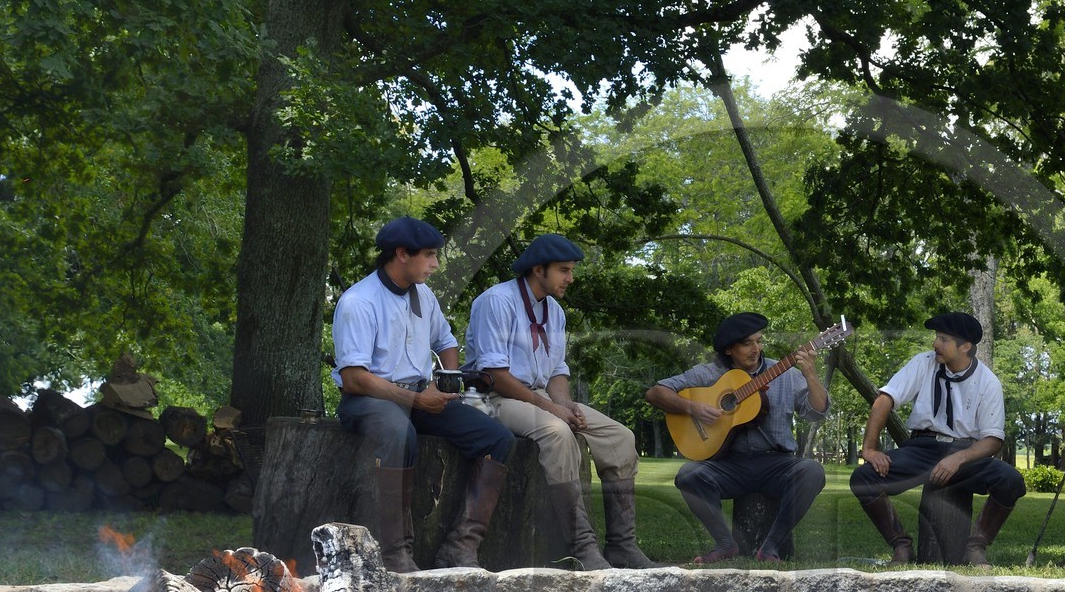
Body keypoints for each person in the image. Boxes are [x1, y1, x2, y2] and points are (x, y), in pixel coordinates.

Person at [332, 216, 516, 572]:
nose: (434, 265)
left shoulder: (424, 296)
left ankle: (461, 547)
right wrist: (416, 401)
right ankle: (394, 553)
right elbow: (355, 378)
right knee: (400, 433)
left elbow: (446, 342)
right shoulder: (359, 301)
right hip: (368, 400)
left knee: (498, 439)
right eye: (429, 255)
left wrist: (445, 383)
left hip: (420, 395)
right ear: (402, 254)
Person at [465, 233, 657, 570]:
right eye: (564, 270)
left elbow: (556, 371)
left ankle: (623, 545)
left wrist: (566, 404)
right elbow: (496, 375)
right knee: (557, 433)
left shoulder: (554, 311)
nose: (571, 278)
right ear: (538, 270)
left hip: (537, 397)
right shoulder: (496, 302)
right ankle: (583, 548)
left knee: (620, 437)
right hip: (494, 397)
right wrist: (552, 411)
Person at [645, 312, 829, 563]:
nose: (756, 349)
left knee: (812, 471)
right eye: (747, 343)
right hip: (729, 465)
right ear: (729, 350)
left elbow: (817, 412)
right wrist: (693, 408)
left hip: (776, 463)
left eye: (759, 341)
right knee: (689, 475)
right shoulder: (711, 373)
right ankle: (725, 544)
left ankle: (771, 547)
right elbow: (656, 393)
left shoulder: (784, 373)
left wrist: (810, 373)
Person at [851, 311, 1027, 566]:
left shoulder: (988, 382)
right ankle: (901, 545)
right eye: (936, 337)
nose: (935, 344)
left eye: (943, 339)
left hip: (965, 454)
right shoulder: (924, 363)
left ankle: (975, 547)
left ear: (965, 346)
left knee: (1010, 480)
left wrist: (958, 458)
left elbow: (992, 440)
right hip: (923, 449)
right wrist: (869, 449)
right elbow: (884, 400)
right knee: (863, 478)